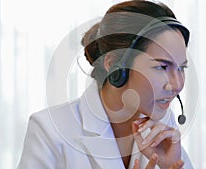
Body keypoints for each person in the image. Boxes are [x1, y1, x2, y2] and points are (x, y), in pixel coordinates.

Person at [17, 0, 194, 168]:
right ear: (114, 65)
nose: (177, 84)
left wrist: (171, 166)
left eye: (181, 68)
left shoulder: (163, 126)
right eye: (162, 67)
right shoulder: (48, 131)